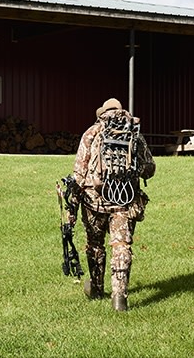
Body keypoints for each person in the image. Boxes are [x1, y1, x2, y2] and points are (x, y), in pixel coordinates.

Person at [71, 97, 156, 311]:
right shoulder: (134, 134)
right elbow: (150, 168)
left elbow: (79, 171)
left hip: (94, 200)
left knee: (95, 244)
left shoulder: (92, 133)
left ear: (101, 114)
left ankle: (97, 288)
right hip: (125, 199)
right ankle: (120, 297)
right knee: (121, 245)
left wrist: (76, 195)